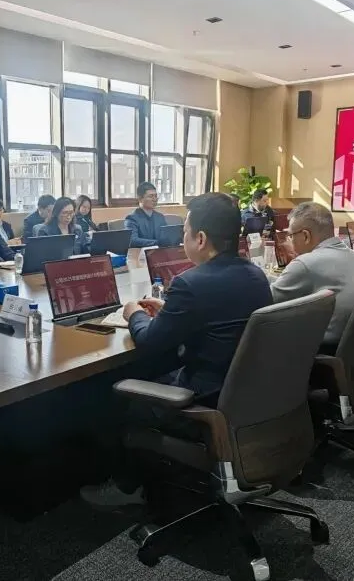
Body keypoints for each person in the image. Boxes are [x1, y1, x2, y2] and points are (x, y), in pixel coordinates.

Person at [81, 193, 273, 507]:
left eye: (185, 231)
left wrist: (134, 313)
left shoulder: (191, 283)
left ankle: (126, 486)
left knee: (116, 390)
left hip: (206, 398)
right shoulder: (255, 275)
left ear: (201, 239)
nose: (182, 238)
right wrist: (171, 311)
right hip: (247, 393)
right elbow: (217, 317)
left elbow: (149, 341)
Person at [269, 202, 354, 348]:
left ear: (306, 236)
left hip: (322, 349)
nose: (289, 240)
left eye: (290, 235)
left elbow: (265, 300)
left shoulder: (305, 263)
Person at [125, 182, 168, 248]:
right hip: (141, 252)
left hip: (160, 252)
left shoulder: (160, 217)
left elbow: (166, 237)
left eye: (155, 196)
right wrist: (157, 243)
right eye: (150, 196)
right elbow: (133, 240)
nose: (154, 199)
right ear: (140, 199)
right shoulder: (132, 218)